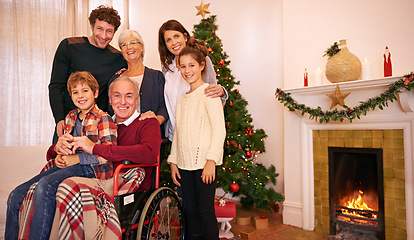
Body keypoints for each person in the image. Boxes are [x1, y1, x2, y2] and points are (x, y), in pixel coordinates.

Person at [5, 71, 117, 240]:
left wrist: (77, 159)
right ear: (71, 96)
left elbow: (107, 155)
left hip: (92, 169)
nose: (80, 95)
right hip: (70, 166)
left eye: (85, 90)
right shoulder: (70, 117)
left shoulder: (104, 118)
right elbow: (65, 147)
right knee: (16, 194)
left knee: (45, 186)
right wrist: (60, 154)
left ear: (95, 93)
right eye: (75, 92)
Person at [167, 39, 226, 240]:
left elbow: (219, 130)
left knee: (205, 211)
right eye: (182, 66)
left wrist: (211, 161)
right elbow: (178, 132)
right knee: (189, 211)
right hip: (184, 164)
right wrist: (173, 160)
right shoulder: (182, 99)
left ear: (202, 66)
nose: (187, 70)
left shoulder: (209, 93)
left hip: (204, 165)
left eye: (191, 65)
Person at [49, 5, 127, 143]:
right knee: (60, 162)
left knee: (91, 163)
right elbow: (55, 86)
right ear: (91, 26)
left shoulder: (118, 58)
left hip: (97, 127)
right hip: (68, 123)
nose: (104, 36)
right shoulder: (69, 46)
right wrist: (59, 119)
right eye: (99, 29)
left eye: (109, 31)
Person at [71, 76, 161, 191]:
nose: (123, 102)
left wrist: (94, 148)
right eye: (117, 96)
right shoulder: (102, 122)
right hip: (96, 178)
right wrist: (55, 150)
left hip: (129, 189)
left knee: (71, 186)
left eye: (128, 96)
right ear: (110, 99)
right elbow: (78, 143)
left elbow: (149, 154)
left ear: (136, 99)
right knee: (60, 184)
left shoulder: (148, 122)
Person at [158, 19, 226, 142]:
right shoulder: (167, 68)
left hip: (198, 136)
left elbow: (213, 93)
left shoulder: (201, 60)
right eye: (168, 40)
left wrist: (221, 91)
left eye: (176, 36)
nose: (174, 42)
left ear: (185, 36)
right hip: (174, 136)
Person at [107, 29, 168, 128]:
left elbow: (164, 108)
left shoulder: (156, 76)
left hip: (150, 134)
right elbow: (110, 111)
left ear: (142, 47)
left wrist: (153, 123)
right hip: (122, 135)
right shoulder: (115, 79)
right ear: (121, 51)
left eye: (132, 42)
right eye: (124, 45)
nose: (129, 47)